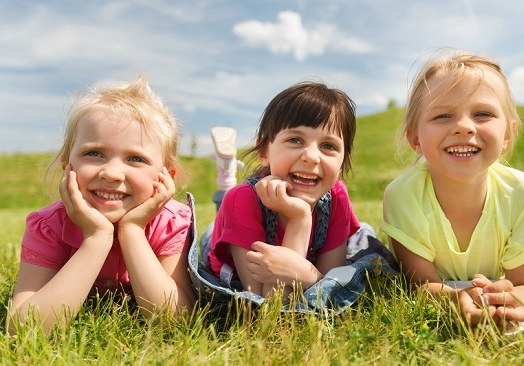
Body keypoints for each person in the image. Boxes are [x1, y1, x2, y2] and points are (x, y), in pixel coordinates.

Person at [6, 75, 197, 335]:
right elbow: (22, 330)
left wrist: (133, 230)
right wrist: (96, 237)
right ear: (67, 166)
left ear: (165, 177)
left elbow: (175, 323)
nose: (111, 173)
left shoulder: (170, 223)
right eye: (93, 153)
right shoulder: (48, 227)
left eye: (135, 159)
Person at [380, 50, 524, 333]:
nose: (463, 127)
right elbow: (420, 286)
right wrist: (457, 299)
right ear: (415, 138)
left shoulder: (523, 194)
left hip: (503, 284)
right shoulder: (402, 195)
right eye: (443, 115)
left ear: (507, 134)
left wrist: (509, 303)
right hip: (444, 292)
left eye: (482, 114)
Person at [192, 81, 396, 309]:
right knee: (223, 211)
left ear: (343, 161)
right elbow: (268, 305)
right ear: (264, 152)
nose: (311, 157)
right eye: (295, 140)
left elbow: (328, 283)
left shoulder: (336, 194)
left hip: (251, 223)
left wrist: (305, 274)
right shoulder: (242, 200)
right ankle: (226, 178)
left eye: (328, 146)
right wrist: (300, 218)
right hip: (229, 234)